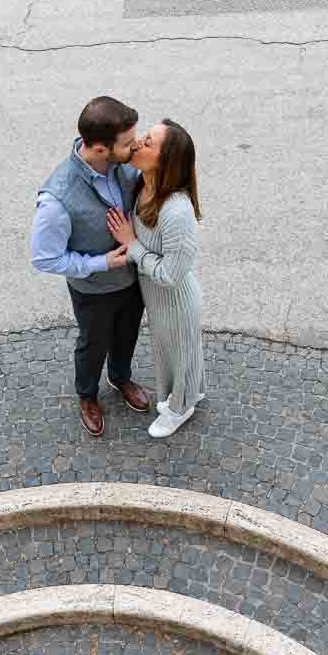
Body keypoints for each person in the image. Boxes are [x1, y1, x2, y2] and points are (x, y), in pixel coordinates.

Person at [31, 96, 151, 437]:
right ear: (99, 149)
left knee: (127, 333)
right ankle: (87, 395)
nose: (134, 148)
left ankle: (120, 376)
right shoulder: (57, 199)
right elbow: (44, 257)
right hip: (93, 290)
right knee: (93, 343)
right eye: (128, 144)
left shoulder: (123, 163)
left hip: (133, 278)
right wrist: (101, 262)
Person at [106, 119, 204, 438]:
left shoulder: (176, 212)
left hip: (175, 301)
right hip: (157, 301)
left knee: (180, 355)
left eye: (148, 143)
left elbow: (169, 275)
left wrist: (131, 243)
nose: (138, 144)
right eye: (144, 137)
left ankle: (179, 409)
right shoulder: (143, 185)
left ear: (166, 161)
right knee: (173, 354)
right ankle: (190, 395)